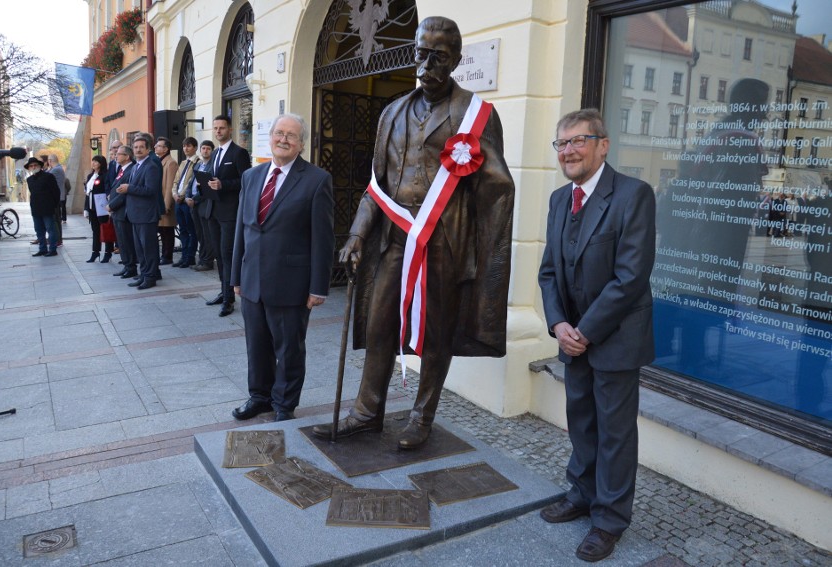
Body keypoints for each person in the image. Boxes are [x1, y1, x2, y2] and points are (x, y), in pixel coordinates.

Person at [312, 16, 515, 449]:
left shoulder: (475, 114)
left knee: (437, 331)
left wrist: (479, 251)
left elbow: (497, 188)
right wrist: (356, 236)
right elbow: (375, 187)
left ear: (456, 60)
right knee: (381, 323)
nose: (427, 64)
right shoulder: (392, 113)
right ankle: (367, 413)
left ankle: (422, 416)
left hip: (444, 243)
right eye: (422, 53)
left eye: (439, 57)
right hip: (393, 241)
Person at [537, 109, 656, 562]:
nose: (568, 150)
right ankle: (582, 494)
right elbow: (549, 272)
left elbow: (631, 277)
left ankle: (609, 519)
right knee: (582, 421)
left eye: (578, 141)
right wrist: (557, 324)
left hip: (616, 337)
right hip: (573, 338)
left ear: (602, 145)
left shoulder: (633, 195)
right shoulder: (556, 200)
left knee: (615, 433)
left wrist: (584, 330)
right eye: (561, 143)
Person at [230, 114, 335, 422]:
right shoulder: (252, 176)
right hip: (252, 280)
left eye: (291, 135)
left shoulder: (317, 180)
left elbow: (323, 239)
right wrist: (236, 275)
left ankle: (284, 404)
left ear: (301, 143)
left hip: (292, 283)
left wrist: (318, 287)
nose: (283, 139)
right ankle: (259, 397)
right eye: (279, 133)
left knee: (289, 349)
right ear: (270, 137)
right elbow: (242, 229)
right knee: (257, 345)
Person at [202, 115, 252, 316]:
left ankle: (230, 298)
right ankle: (224, 292)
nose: (218, 131)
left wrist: (223, 184)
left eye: (222, 128)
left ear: (230, 129)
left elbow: (246, 180)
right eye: (215, 128)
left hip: (230, 212)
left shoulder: (239, 153)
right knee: (218, 254)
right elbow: (214, 177)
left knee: (228, 254)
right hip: (212, 209)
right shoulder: (214, 153)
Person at [115, 135, 163, 289]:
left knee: (148, 248)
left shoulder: (151, 166)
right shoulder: (136, 166)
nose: (138, 149)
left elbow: (151, 190)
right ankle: (143, 274)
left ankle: (150, 277)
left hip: (146, 214)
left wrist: (129, 188)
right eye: (135, 147)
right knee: (140, 249)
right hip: (135, 214)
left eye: (141, 147)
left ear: (148, 149)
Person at [107, 145, 137, 278]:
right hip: (117, 212)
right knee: (121, 241)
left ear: (127, 157)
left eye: (119, 154)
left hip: (123, 211)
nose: (115, 156)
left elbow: (125, 193)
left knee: (126, 241)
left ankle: (131, 267)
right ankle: (126, 265)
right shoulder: (122, 169)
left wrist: (112, 205)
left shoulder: (131, 170)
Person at [171, 137, 201, 268]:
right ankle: (183, 256)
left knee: (191, 230)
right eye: (184, 146)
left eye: (188, 146)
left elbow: (191, 183)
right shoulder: (183, 163)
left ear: (195, 147)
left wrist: (181, 196)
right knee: (182, 229)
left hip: (187, 201)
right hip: (178, 201)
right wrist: (174, 194)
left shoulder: (198, 162)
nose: (185, 148)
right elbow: (176, 181)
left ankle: (190, 257)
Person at [25, 156, 60, 257]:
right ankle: (42, 249)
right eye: (31, 166)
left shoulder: (48, 177)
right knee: (39, 230)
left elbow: (56, 192)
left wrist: (54, 205)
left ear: (40, 166)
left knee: (50, 229)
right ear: (29, 168)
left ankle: (53, 249)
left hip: (47, 207)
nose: (33, 167)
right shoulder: (29, 180)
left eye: (35, 165)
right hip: (36, 208)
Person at [189, 140, 216, 271]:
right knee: (199, 233)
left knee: (207, 234)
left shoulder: (212, 166)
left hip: (203, 203)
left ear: (212, 151)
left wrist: (194, 198)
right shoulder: (198, 165)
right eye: (203, 148)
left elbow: (206, 187)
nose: (205, 151)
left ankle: (207, 261)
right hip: (193, 203)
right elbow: (191, 182)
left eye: (208, 149)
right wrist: (188, 196)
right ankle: (202, 259)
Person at [84, 155, 113, 263]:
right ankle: (95, 252)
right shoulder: (90, 176)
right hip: (92, 206)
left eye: (96, 161)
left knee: (106, 230)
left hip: (102, 207)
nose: (93, 163)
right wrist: (86, 208)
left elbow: (107, 190)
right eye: (93, 161)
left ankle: (108, 252)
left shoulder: (105, 175)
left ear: (101, 163)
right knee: (95, 231)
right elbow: (87, 193)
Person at [154, 137, 179, 265]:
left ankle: (167, 256)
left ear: (166, 149)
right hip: (158, 202)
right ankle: (164, 254)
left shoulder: (171, 163)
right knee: (162, 230)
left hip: (165, 202)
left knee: (167, 230)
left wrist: (166, 205)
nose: (155, 147)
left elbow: (170, 186)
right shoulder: (159, 161)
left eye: (158, 146)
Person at [47, 154, 66, 245]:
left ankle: (57, 239)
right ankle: (57, 239)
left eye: (48, 161)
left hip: (55, 198)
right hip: (57, 197)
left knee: (55, 220)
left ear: (50, 161)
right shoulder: (57, 168)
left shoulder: (55, 170)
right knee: (56, 219)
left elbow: (45, 178)